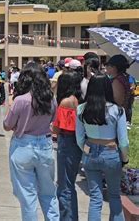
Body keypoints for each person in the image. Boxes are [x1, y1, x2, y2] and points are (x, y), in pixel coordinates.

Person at [4, 62, 59, 221]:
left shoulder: (21, 100)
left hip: (23, 146)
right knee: (49, 193)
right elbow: (53, 120)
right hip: (45, 144)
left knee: (27, 197)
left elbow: (7, 125)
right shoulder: (51, 99)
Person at [76, 74, 129, 220]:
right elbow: (124, 141)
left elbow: (79, 138)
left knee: (95, 198)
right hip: (111, 152)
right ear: (107, 87)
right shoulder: (117, 111)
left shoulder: (81, 109)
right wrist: (125, 158)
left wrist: (86, 150)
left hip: (90, 152)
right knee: (114, 195)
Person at [53, 71, 82, 220]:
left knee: (64, 186)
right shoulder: (78, 99)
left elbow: (59, 128)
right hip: (76, 144)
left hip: (67, 142)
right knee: (69, 184)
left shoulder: (66, 102)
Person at [105, 54, 133, 124]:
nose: (106, 68)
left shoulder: (117, 81)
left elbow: (117, 102)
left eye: (108, 66)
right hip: (119, 115)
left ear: (114, 67)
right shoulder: (121, 78)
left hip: (115, 117)